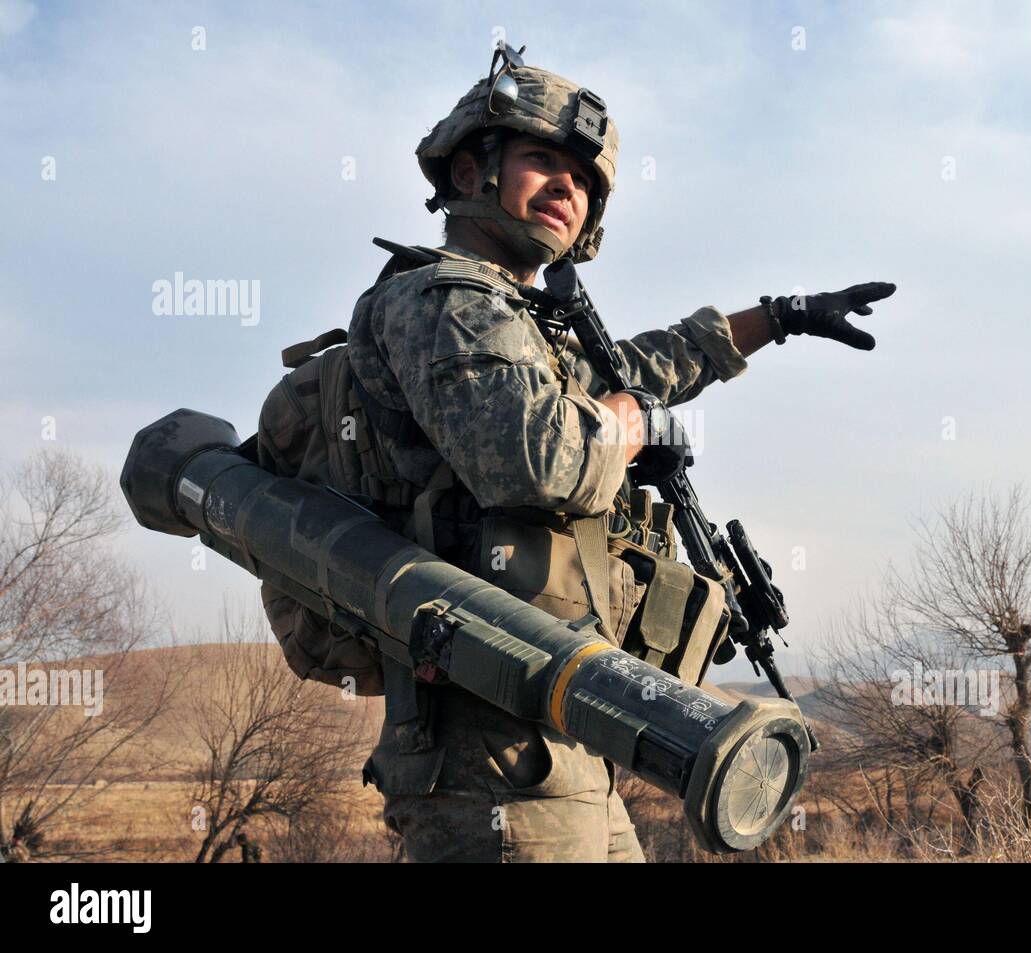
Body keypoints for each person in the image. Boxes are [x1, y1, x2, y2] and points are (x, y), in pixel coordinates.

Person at [269, 44, 896, 863]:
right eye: (541, 160)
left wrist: (776, 316)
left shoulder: (521, 325)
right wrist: (630, 416)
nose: (568, 187)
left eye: (584, 178)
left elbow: (642, 368)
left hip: (551, 715)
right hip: (485, 745)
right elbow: (539, 461)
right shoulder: (443, 298)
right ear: (469, 174)